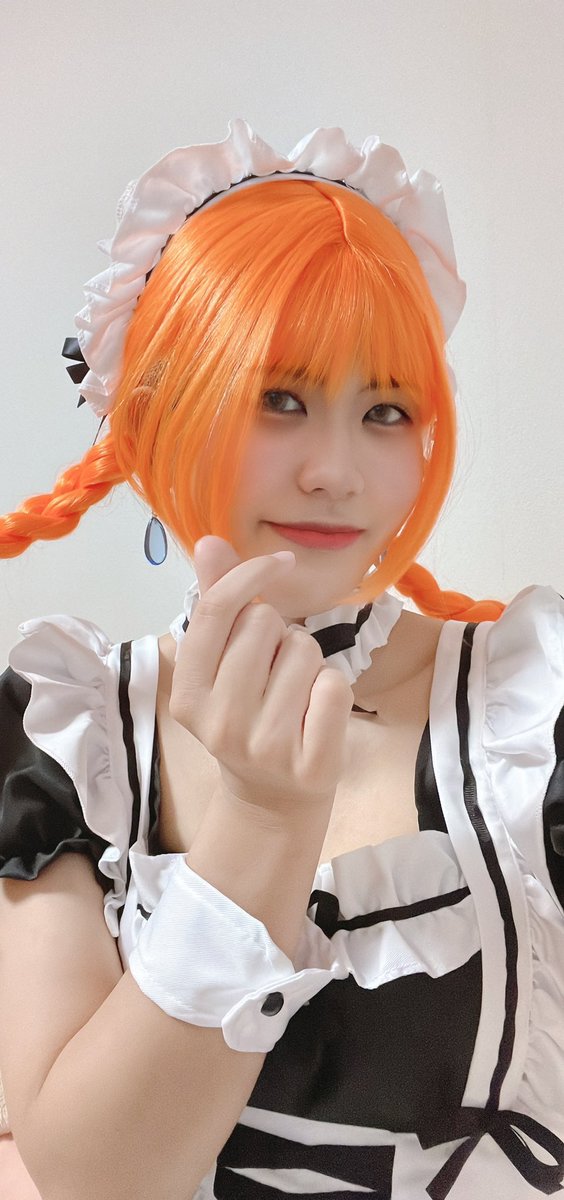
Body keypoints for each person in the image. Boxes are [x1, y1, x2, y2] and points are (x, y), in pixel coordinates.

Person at [0, 119, 563, 1200]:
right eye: (281, 399)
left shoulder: (531, 714)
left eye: (386, 409)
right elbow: (97, 1179)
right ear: (156, 410)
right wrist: (262, 822)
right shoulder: (67, 731)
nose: (335, 470)